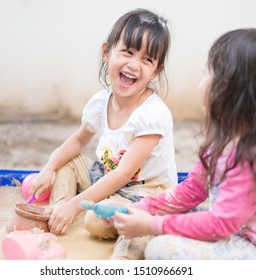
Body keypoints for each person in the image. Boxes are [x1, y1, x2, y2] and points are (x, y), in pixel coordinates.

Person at [113, 28, 256, 260]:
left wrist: (154, 225)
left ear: (234, 92)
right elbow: (192, 190)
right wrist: (143, 209)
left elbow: (219, 224)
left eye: (210, 72)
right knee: (160, 225)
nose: (203, 80)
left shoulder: (255, 154)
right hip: (234, 231)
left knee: (161, 248)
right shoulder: (223, 138)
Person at [30, 8, 177, 259]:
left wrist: (76, 206)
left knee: (94, 221)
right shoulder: (100, 102)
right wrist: (48, 168)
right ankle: (57, 211)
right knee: (66, 162)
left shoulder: (152, 115)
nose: (133, 65)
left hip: (146, 194)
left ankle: (128, 251)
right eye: (127, 52)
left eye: (146, 60)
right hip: (108, 182)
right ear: (107, 52)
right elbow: (78, 141)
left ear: (156, 71)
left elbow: (124, 173)